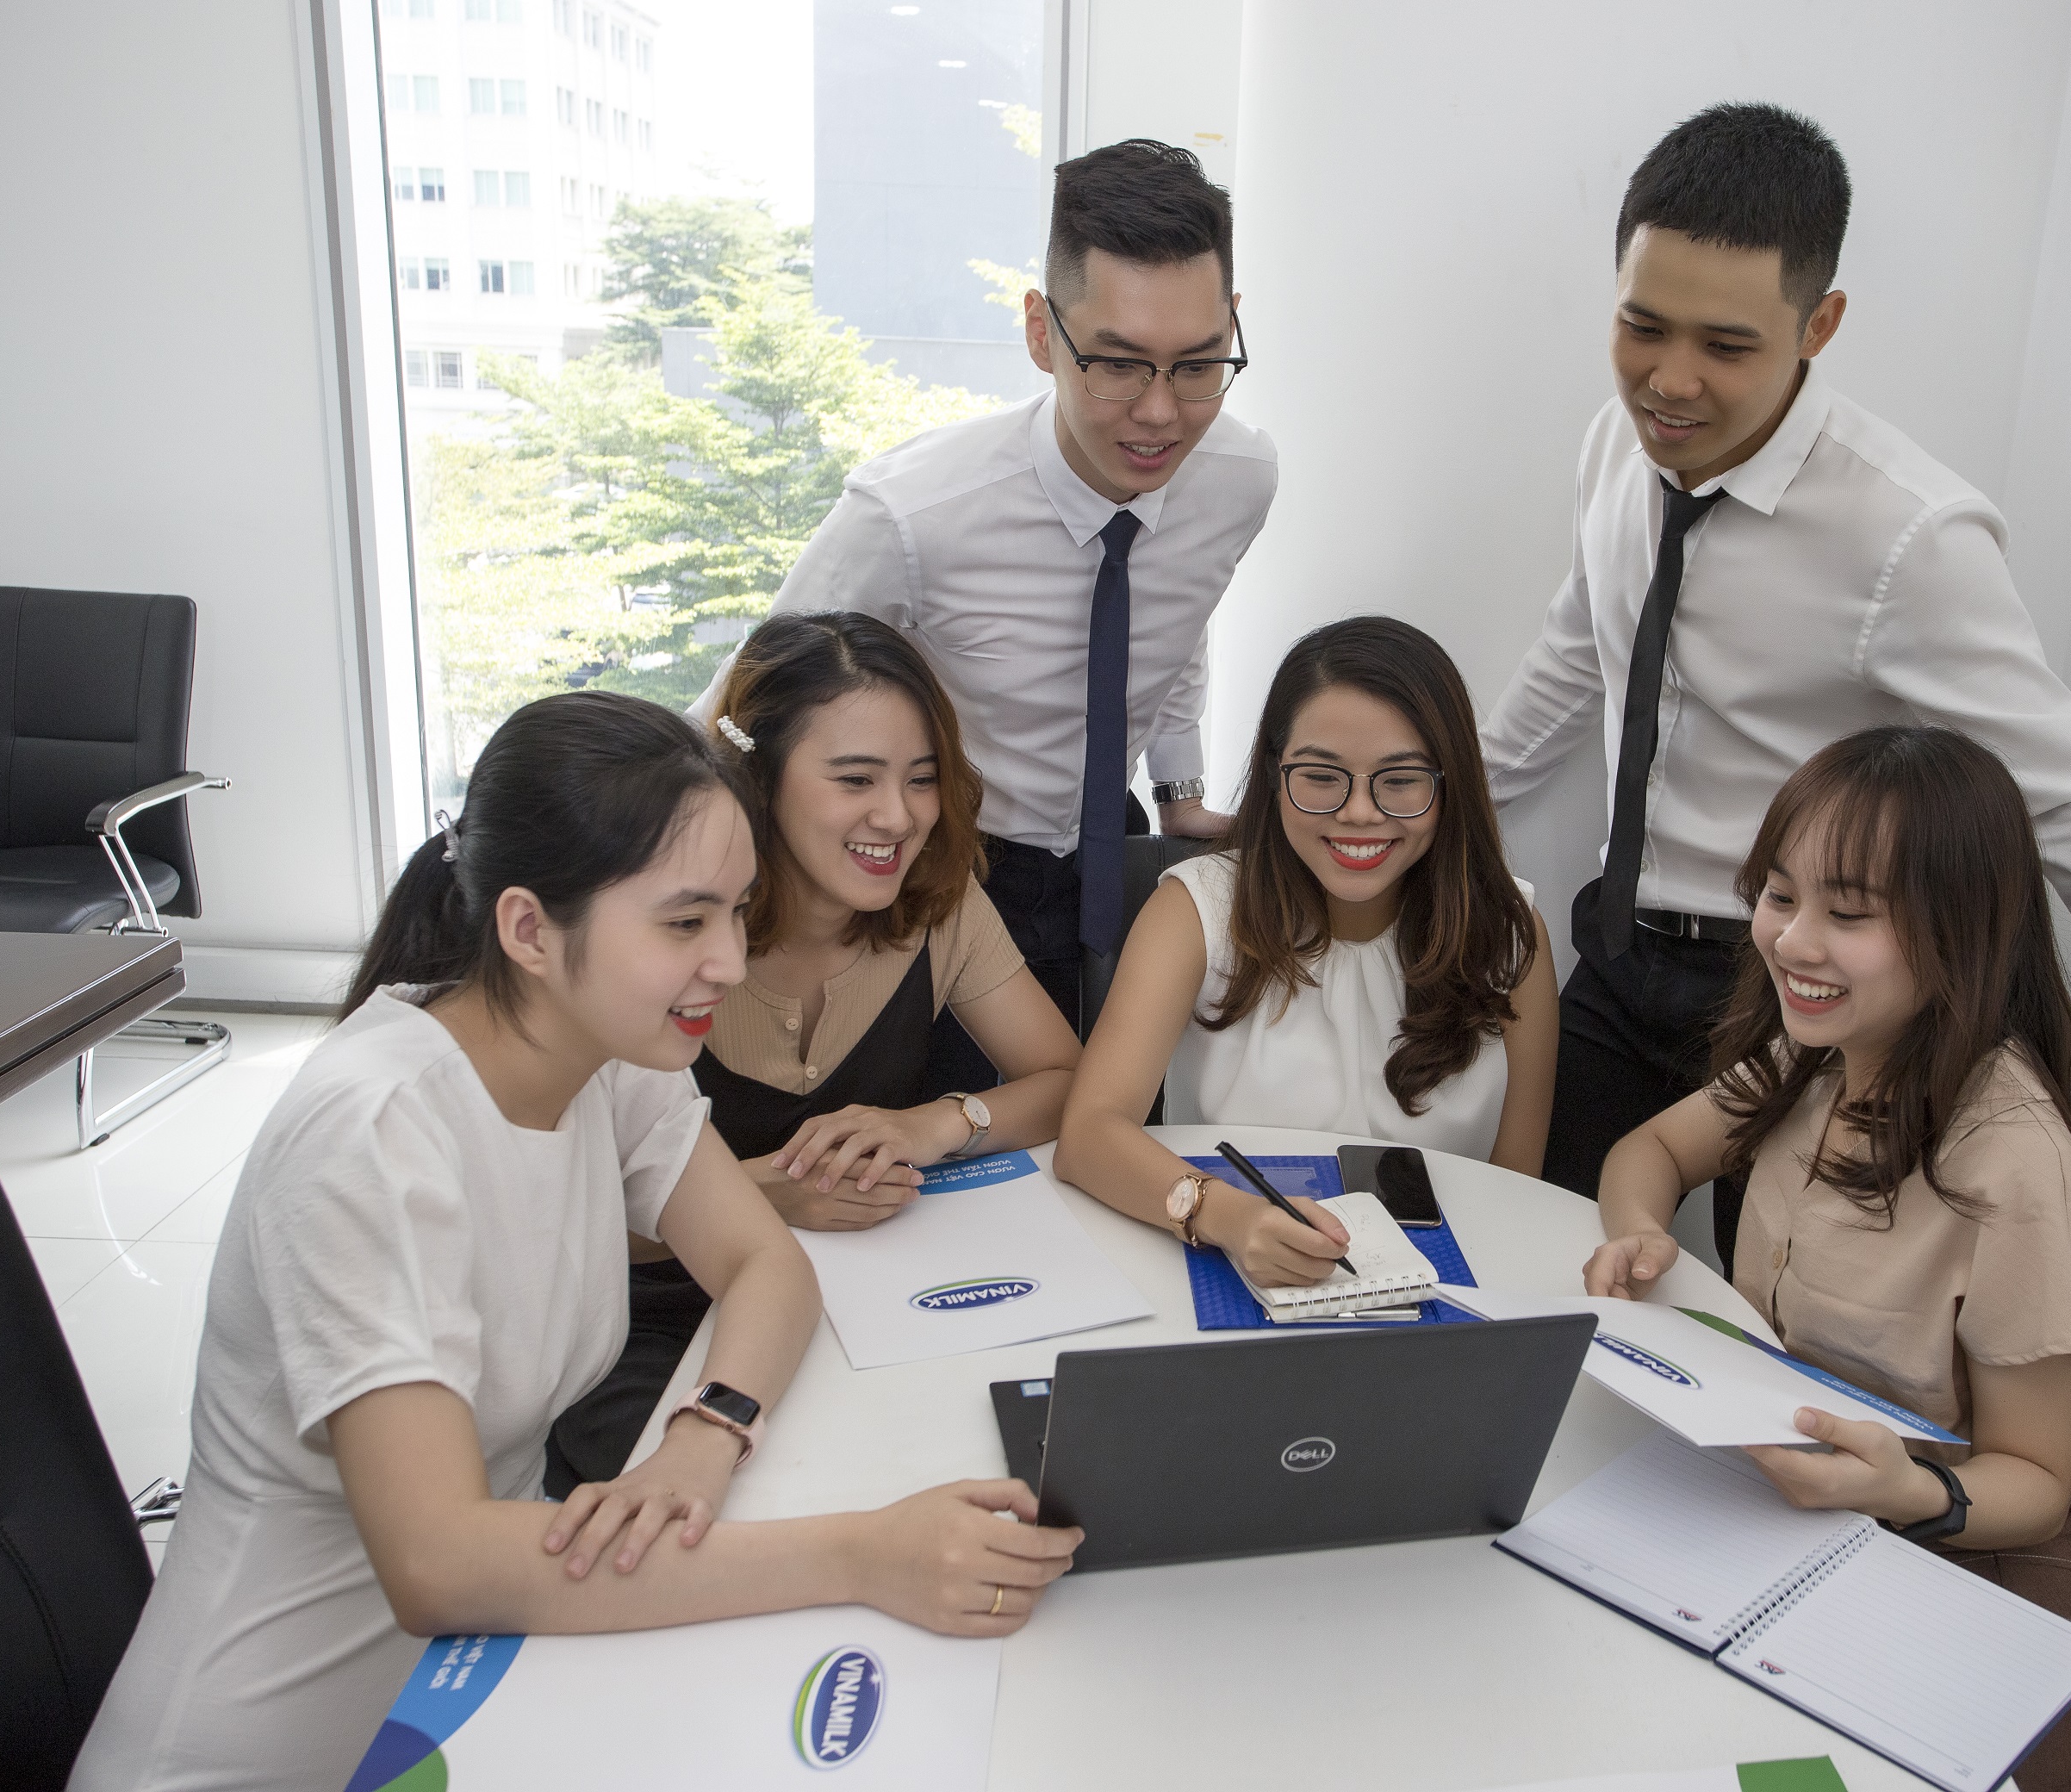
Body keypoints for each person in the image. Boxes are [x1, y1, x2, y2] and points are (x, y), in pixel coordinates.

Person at [1479, 102, 2071, 1266]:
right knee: (1533, 1264)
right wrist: (1421, 812)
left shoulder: (1909, 534)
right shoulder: (1617, 444)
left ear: (1820, 324)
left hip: (1796, 990)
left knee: (1769, 1330)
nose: (1670, 380)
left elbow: (2066, 799)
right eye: (1642, 326)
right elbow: (1578, 651)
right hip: (1621, 949)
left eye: (1726, 347)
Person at [72, 692, 1080, 1792]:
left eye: (738, 912)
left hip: (490, 1675)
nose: (730, 960)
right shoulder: (374, 1133)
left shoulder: (611, 1053)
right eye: (685, 923)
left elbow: (765, 1264)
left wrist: (704, 1435)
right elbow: (439, 1564)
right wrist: (860, 1555)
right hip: (286, 1745)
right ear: (528, 930)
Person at [1583, 726, 2071, 1791]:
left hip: (1960, 1562)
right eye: (1780, 895)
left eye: (1850, 913)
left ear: (1958, 933)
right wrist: (1640, 1227)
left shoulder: (2011, 1164)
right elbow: (1650, 1150)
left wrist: (1909, 1488)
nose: (1793, 940)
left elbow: (2035, 1483)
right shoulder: (1819, 1056)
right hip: (1805, 1515)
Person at [687, 138, 1276, 1090]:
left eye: (1198, 364)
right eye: (1118, 364)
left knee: (1109, 1121)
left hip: (1109, 856)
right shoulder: (910, 514)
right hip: (944, 872)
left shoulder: (1241, 480)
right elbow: (744, 705)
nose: (1161, 413)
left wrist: (1180, 784)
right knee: (938, 1144)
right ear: (1042, 333)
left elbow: (1179, 611)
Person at [545, 613, 1081, 1496]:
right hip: (651, 1326)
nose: (898, 816)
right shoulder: (653, 934)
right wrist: (766, 1192)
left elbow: (1069, 1084)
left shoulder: (938, 903)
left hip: (859, 1298)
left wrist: (938, 1124)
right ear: (756, 782)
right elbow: (553, 1222)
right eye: (855, 779)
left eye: (922, 779)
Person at [1058, 617, 1558, 1286]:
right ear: (1274, 772)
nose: (1359, 813)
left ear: (1451, 784)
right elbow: (1089, 1135)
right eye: (1322, 775)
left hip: (1441, 1289)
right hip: (1218, 1269)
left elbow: (1520, 1188)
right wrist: (1225, 1216)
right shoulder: (1195, 909)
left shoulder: (1511, 932)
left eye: (1400, 779)